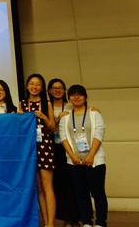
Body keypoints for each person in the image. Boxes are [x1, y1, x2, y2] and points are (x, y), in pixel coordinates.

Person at [60, 85, 107, 227]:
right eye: (73, 94)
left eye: (80, 94)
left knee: (98, 193)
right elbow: (63, 137)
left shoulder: (94, 113)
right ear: (69, 98)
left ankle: (100, 223)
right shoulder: (65, 116)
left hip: (95, 161)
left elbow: (99, 134)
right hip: (74, 162)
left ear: (85, 97)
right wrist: (72, 157)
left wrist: (91, 156)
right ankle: (87, 222)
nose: (76, 97)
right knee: (81, 194)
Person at [19, 73, 56, 227]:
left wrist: (44, 117)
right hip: (29, 147)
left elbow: (53, 128)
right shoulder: (22, 104)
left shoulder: (47, 104)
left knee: (48, 186)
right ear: (27, 86)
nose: (34, 87)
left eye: (38, 84)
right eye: (32, 83)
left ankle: (51, 223)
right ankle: (45, 221)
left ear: (42, 88)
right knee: (38, 187)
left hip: (44, 145)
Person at [48, 78, 80, 227]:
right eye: (54, 88)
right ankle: (66, 218)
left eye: (60, 88)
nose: (57, 90)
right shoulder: (46, 106)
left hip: (71, 147)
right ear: (49, 91)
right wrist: (56, 119)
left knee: (73, 183)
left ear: (65, 90)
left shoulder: (71, 106)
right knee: (59, 184)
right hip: (53, 148)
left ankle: (75, 218)